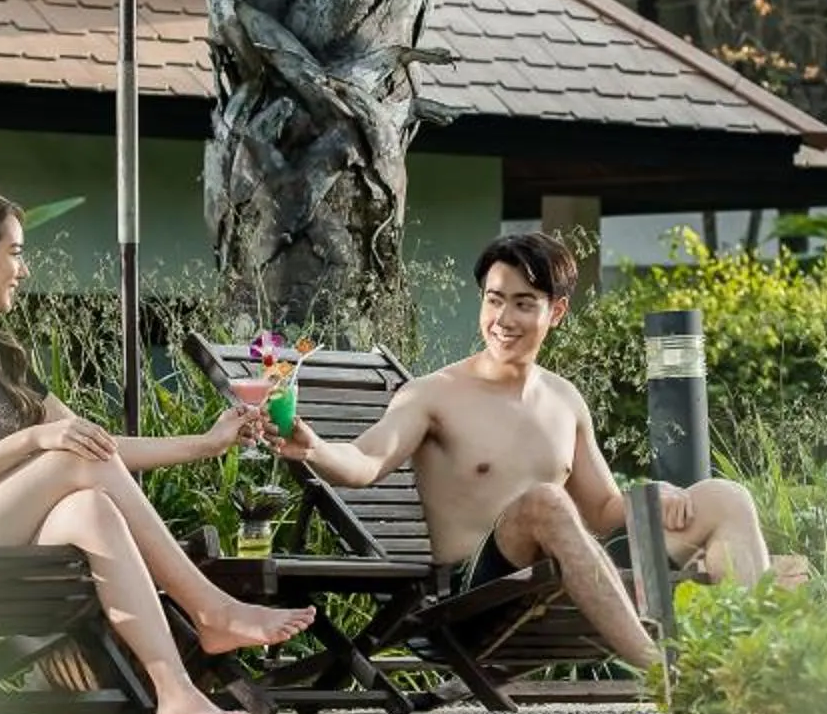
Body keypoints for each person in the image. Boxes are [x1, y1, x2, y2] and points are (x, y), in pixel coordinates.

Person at [0, 184, 312, 714]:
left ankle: (174, 689)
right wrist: (32, 440)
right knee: (69, 454)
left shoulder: (5, 358)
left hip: (13, 538)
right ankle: (209, 609)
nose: (23, 270)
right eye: (14, 252)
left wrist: (207, 443)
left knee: (93, 507)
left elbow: (97, 449)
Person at [270, 232, 787, 667]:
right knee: (544, 501)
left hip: (564, 582)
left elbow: (605, 511)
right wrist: (314, 446)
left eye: (523, 303)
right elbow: (364, 463)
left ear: (556, 311)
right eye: (494, 299)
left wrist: (649, 493)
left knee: (725, 495)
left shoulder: (564, 399)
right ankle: (661, 670)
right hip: (474, 601)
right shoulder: (432, 394)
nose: (504, 318)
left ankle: (747, 661)